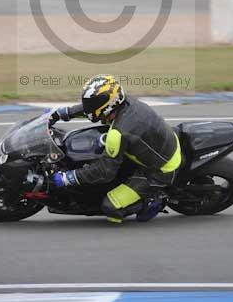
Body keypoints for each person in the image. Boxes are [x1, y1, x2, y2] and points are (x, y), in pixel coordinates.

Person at [49, 74, 182, 224]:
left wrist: (70, 177)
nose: (88, 106)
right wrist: (65, 112)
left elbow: (105, 172)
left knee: (111, 208)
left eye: (92, 103)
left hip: (160, 169)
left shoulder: (117, 133)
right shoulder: (124, 101)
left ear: (108, 104)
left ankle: (154, 199)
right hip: (160, 144)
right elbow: (93, 108)